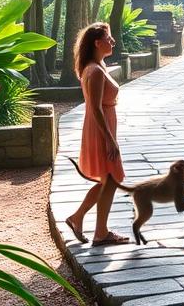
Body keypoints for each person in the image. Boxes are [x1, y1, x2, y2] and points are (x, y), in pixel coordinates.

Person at [65, 22, 128, 246]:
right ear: (97, 43)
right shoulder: (95, 70)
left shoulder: (97, 66)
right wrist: (109, 139)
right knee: (111, 178)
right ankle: (97, 230)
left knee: (108, 179)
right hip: (101, 128)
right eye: (109, 39)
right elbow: (95, 108)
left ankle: (84, 221)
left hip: (103, 125)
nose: (113, 42)